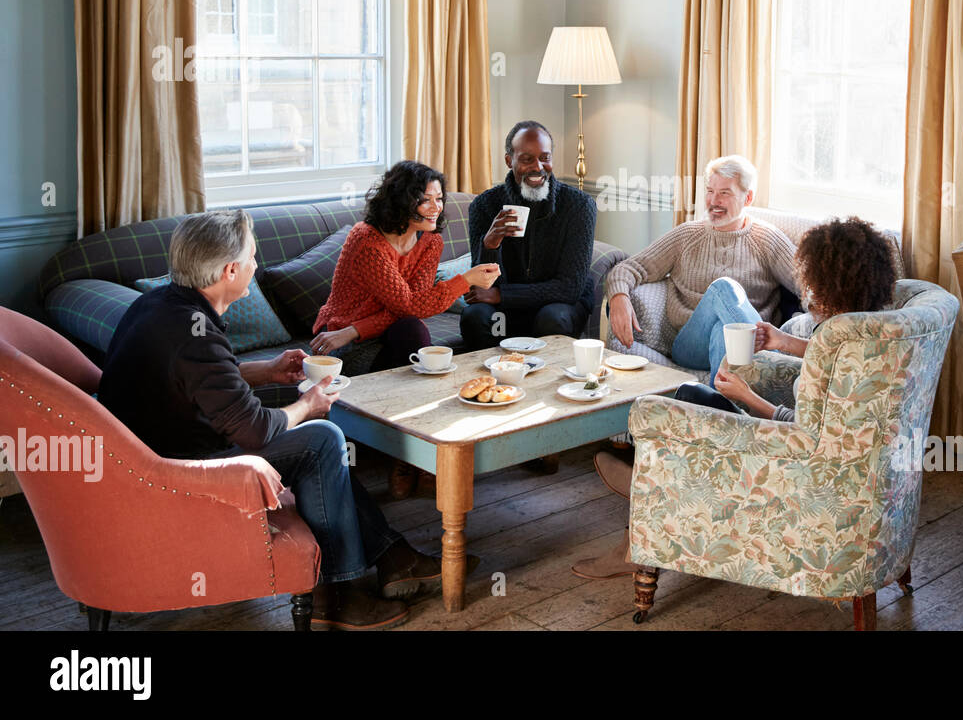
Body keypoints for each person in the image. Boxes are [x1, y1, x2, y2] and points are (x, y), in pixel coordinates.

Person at [98, 210, 458, 629]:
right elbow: (253, 429)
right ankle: (339, 595)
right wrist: (310, 405)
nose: (256, 265)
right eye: (252, 256)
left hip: (150, 452)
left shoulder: (162, 305)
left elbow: (196, 378)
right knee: (321, 438)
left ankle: (392, 558)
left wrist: (267, 370)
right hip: (176, 469)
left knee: (313, 445)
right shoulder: (192, 332)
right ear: (230, 270)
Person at [571, 217, 898, 580]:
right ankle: (650, 483)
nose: (805, 287)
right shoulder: (865, 333)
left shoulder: (839, 341)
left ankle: (644, 501)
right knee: (695, 390)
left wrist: (747, 397)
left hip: (791, 460)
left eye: (810, 277)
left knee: (676, 402)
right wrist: (785, 341)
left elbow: (806, 429)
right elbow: (827, 368)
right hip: (821, 459)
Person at [311, 161, 501, 499]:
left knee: (414, 334)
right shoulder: (366, 241)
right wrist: (466, 280)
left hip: (369, 332)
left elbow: (414, 304)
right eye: (425, 199)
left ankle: (412, 458)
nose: (436, 207)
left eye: (439, 198)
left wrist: (357, 328)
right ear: (401, 200)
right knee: (414, 334)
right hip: (339, 342)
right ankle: (407, 458)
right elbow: (411, 304)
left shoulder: (429, 242)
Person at [605, 154, 799, 386]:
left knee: (723, 330)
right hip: (690, 346)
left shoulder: (767, 239)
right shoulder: (687, 235)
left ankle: (720, 407)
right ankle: (774, 368)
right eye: (709, 191)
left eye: (724, 193)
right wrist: (618, 297)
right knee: (724, 288)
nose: (713, 201)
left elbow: (809, 283)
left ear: (747, 198)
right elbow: (628, 268)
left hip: (741, 350)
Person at [460, 121, 598, 351]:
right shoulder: (484, 206)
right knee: (476, 316)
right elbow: (482, 286)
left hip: (557, 306)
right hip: (505, 314)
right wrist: (490, 244)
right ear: (508, 160)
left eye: (545, 158)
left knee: (552, 318)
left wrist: (502, 295)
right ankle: (494, 381)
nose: (538, 167)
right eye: (526, 159)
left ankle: (546, 384)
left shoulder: (579, 206)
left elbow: (570, 287)